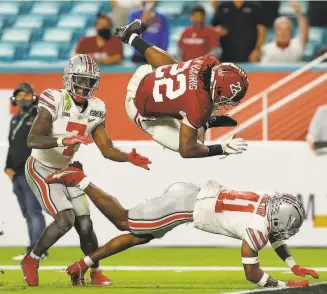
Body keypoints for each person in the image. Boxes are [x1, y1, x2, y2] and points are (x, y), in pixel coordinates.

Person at [45, 163, 320, 289]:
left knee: (138, 236)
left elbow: (273, 233)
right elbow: (252, 275)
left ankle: (82, 265)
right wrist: (283, 284)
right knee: (123, 220)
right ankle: (79, 179)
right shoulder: (257, 229)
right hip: (183, 207)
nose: (282, 235)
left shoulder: (268, 199)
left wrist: (293, 264)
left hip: (191, 196)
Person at [21, 54, 151, 287]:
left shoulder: (97, 108)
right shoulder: (55, 98)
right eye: (80, 79)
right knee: (65, 219)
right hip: (41, 167)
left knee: (85, 224)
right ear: (69, 79)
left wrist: (127, 157)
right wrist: (64, 141)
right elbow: (33, 139)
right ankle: (32, 259)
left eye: (90, 81)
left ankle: (93, 270)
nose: (85, 86)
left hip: (68, 170)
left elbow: (107, 149)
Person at [115, 19, 248, 159]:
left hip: (145, 73)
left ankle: (132, 38)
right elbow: (187, 150)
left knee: (175, 67)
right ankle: (205, 123)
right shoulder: (200, 106)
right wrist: (222, 148)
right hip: (138, 109)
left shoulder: (209, 61)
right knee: (196, 143)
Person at [5, 83, 47, 261]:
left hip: (31, 171)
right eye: (20, 95)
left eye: (26, 95)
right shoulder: (15, 119)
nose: (23, 98)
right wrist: (7, 166)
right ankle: (35, 248)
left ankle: (38, 250)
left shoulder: (38, 116)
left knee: (34, 211)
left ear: (34, 97)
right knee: (27, 212)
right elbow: (13, 145)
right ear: (15, 98)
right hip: (16, 173)